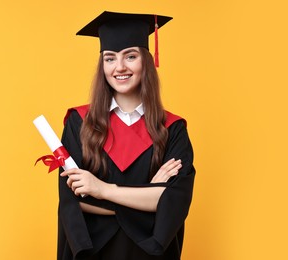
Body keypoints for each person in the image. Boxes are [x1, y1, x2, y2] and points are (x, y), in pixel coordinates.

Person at [57, 11, 196, 260]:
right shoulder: (79, 123)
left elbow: (174, 202)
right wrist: (149, 194)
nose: (119, 67)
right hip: (94, 252)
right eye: (110, 59)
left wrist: (101, 189)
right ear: (102, 66)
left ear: (146, 61)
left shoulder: (173, 129)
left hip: (148, 253)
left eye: (130, 56)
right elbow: (73, 200)